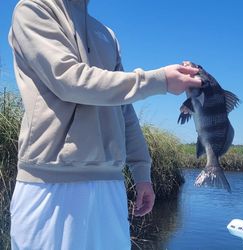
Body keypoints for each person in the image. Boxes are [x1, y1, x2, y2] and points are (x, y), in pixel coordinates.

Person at [8, 0, 201, 249]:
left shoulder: (107, 34)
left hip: (110, 184)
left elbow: (124, 110)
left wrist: (142, 173)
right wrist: (159, 81)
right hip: (49, 182)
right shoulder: (33, 9)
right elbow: (68, 80)